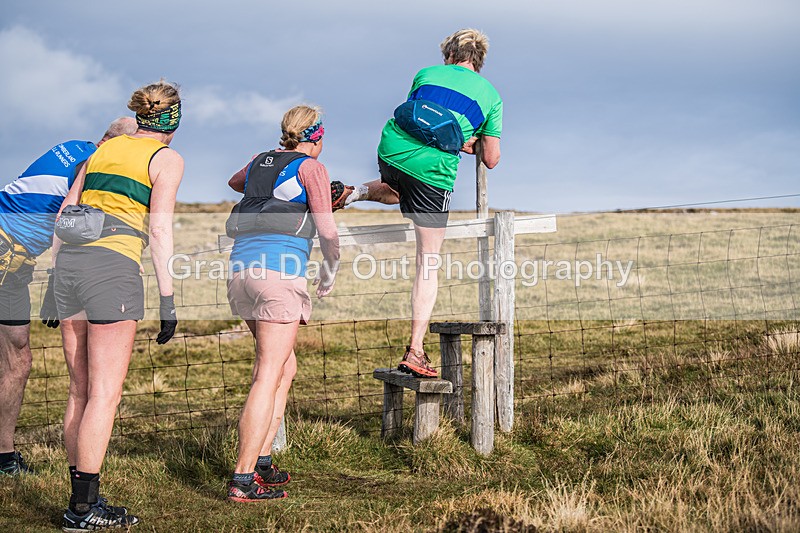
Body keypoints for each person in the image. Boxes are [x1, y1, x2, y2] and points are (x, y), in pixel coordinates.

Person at [52, 80, 184, 530]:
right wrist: (168, 298)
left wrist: (53, 280)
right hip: (114, 270)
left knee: (79, 390)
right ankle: (83, 510)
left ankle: (81, 497)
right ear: (174, 119)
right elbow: (160, 231)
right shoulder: (166, 159)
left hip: (69, 265)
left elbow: (66, 213)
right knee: (104, 396)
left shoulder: (101, 151)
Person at [344, 28, 503, 377]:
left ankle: (353, 192)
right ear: (479, 60)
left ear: (449, 55)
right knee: (427, 262)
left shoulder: (425, 74)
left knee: (400, 189)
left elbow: (420, 117)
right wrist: (471, 139)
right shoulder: (491, 96)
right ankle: (415, 350)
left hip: (391, 150)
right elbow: (490, 158)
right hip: (432, 172)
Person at [0, 117, 137, 477]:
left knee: (18, 359)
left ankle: (3, 458)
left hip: (16, 262)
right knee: (16, 360)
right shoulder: (93, 164)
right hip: (5, 250)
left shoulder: (75, 146)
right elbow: (76, 224)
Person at [225, 104, 339, 502]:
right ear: (318, 136)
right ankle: (242, 478)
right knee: (268, 371)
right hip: (278, 275)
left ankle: (263, 461)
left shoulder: (260, 160)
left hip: (240, 272)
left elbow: (236, 182)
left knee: (283, 366)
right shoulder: (313, 169)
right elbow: (327, 231)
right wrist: (330, 268)